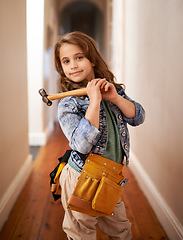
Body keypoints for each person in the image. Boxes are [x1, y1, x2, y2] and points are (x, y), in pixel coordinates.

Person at [54, 31, 145, 240]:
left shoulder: (114, 91)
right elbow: (81, 145)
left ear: (92, 60)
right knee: (81, 232)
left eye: (79, 57)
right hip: (81, 176)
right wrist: (94, 101)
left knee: (121, 230)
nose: (73, 65)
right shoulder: (68, 104)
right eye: (66, 61)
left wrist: (114, 98)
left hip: (110, 177)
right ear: (62, 68)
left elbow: (138, 117)